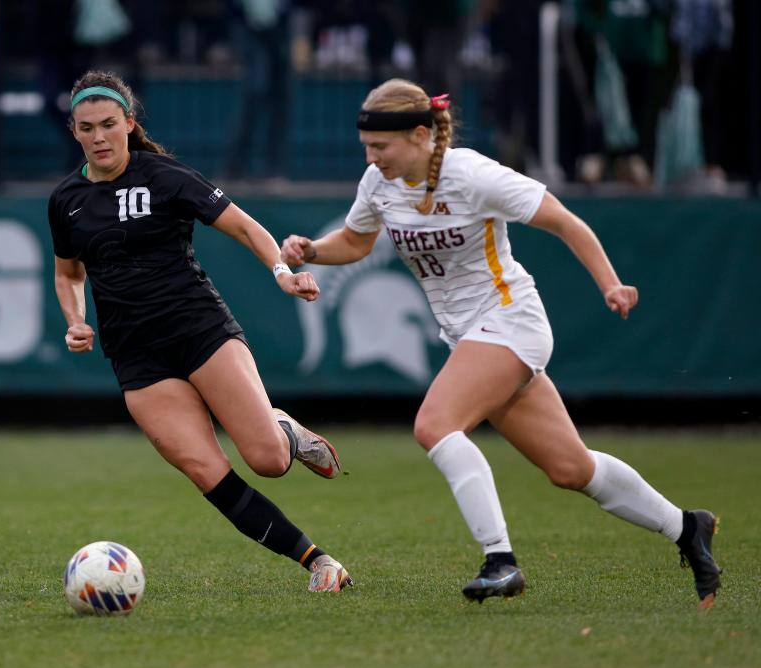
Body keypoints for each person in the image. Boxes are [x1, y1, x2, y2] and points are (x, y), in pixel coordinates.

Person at [280, 78, 722, 608]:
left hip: (510, 320)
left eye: (382, 147)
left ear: (422, 134)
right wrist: (311, 251)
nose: (372, 159)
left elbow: (565, 221)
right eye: (367, 149)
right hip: (469, 336)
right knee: (572, 469)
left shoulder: (471, 174)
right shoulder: (379, 183)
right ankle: (687, 527)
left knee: (434, 425)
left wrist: (610, 283)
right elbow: (354, 241)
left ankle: (499, 560)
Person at [48, 70, 352, 593]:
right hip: (137, 357)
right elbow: (68, 273)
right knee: (207, 471)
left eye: (108, 125)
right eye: (86, 128)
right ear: (73, 132)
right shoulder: (66, 200)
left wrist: (282, 273)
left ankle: (283, 430)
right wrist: (76, 321)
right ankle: (319, 562)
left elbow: (244, 227)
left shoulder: (165, 176)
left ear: (129, 123)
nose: (98, 137)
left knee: (268, 461)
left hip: (199, 329)